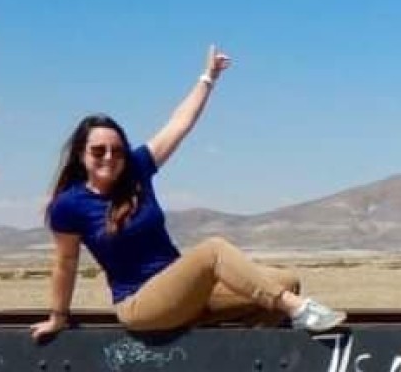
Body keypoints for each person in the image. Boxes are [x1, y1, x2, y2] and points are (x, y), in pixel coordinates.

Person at [30, 46, 346, 341]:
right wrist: (58, 317)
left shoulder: (137, 171)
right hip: (140, 304)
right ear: (81, 155)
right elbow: (65, 263)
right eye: (98, 151)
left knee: (286, 281)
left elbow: (179, 124)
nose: (109, 157)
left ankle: (239, 354)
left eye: (117, 150)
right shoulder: (69, 205)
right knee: (213, 251)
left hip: (185, 293)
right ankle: (300, 309)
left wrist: (208, 78)